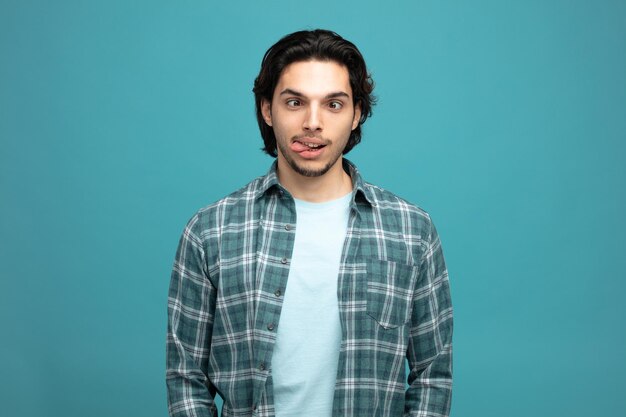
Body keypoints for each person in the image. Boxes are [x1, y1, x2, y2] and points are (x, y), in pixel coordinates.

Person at [166, 29, 453, 417]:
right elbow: (186, 377)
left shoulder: (412, 231)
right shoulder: (210, 231)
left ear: (357, 115)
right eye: (295, 102)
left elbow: (432, 375)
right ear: (268, 110)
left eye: (333, 104)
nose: (312, 123)